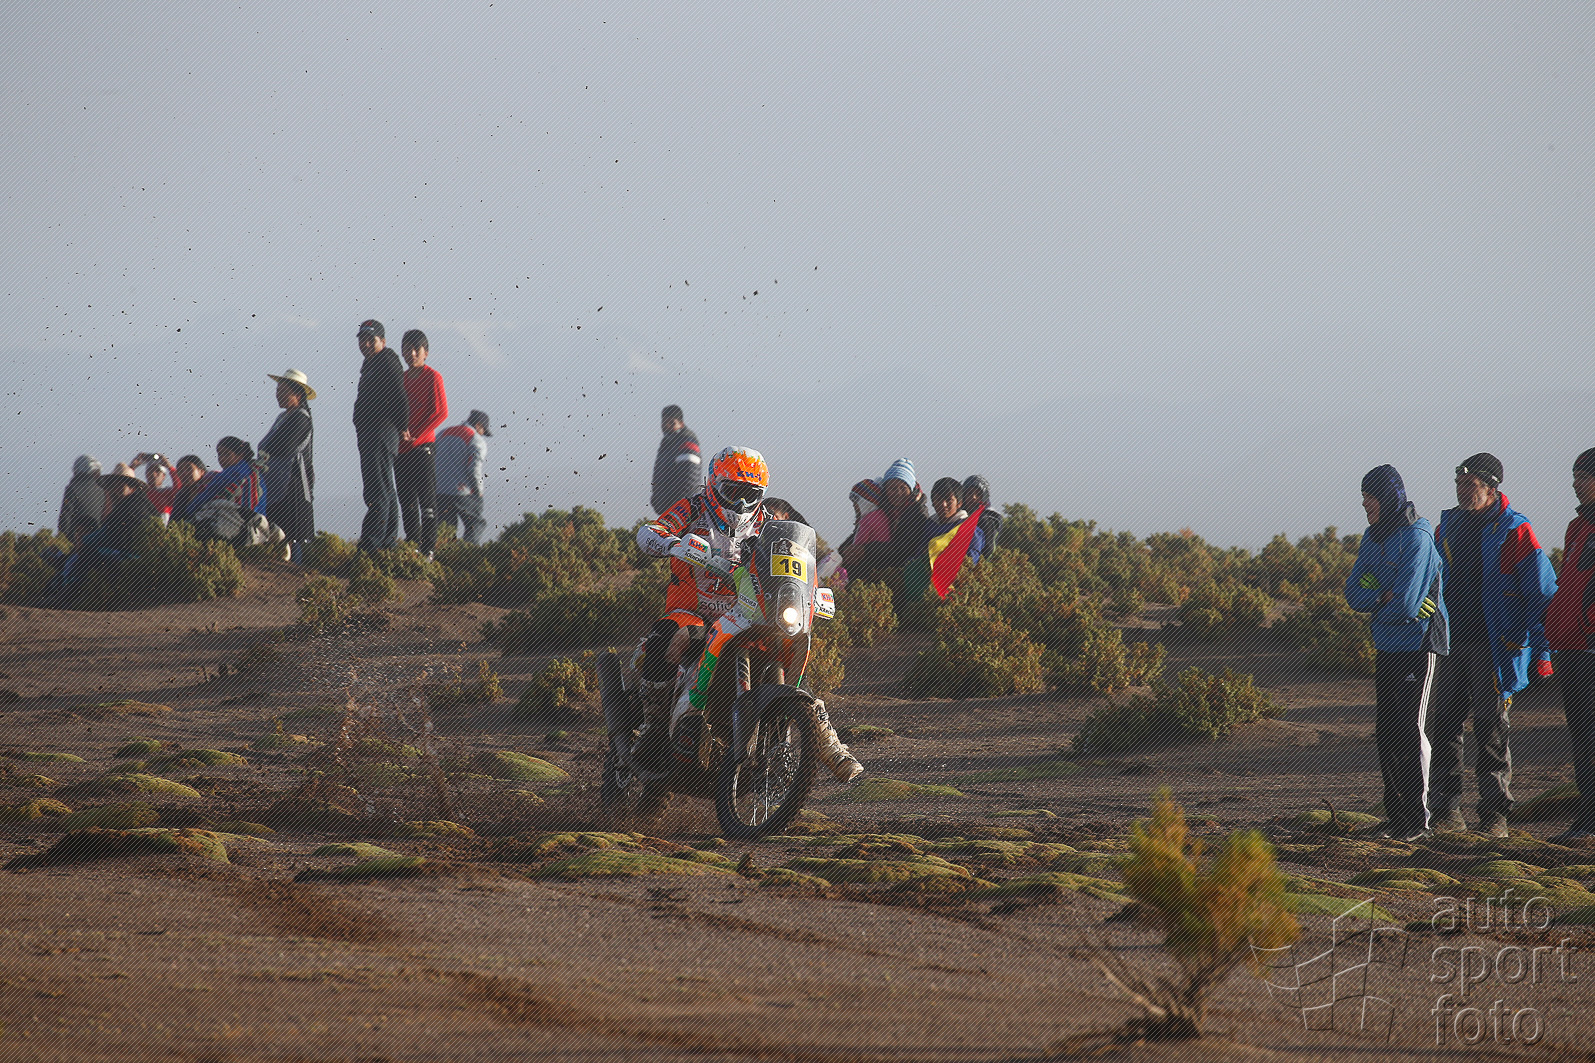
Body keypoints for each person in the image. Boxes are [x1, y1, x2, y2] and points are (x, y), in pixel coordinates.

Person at [634, 446, 861, 783]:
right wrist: (672, 543)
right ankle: (653, 726)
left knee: (787, 654)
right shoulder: (693, 508)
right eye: (733, 492)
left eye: (751, 494)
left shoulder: (767, 524)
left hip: (746, 611)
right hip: (694, 611)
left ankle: (826, 741)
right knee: (669, 639)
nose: (741, 503)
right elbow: (650, 531)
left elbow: (795, 564)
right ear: (714, 485)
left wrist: (812, 591)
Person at [1427, 454, 1557, 838]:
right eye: (1458, 483)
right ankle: (1446, 811)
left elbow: (1542, 596)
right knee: (1444, 725)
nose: (1461, 491)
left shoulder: (1516, 530)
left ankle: (1495, 816)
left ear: (1491, 487)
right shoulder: (1446, 527)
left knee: (1491, 728)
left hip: (1496, 647)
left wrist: (1543, 653)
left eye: (1469, 484)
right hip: (1451, 644)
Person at [1344, 465, 1449, 842]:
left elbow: (1407, 604)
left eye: (1370, 497)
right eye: (1363, 497)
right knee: (1386, 732)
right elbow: (1352, 593)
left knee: (1410, 730)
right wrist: (1380, 598)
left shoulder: (1417, 537)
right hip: (1387, 645)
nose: (1365, 504)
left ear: (1388, 498)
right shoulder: (1372, 538)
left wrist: (1384, 599)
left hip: (1419, 645)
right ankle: (1396, 819)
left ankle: (1418, 823)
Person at [1543, 448, 1595, 843]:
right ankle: (1585, 817)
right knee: (1580, 736)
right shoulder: (1577, 528)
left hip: (1590, 647)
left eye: (1584, 476)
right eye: (1575, 475)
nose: (1576, 483)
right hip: (1571, 648)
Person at [37, 463, 156, 607]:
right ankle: (58, 594)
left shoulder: (131, 507)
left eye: (120, 487)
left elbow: (108, 535)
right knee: (83, 552)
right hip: (134, 557)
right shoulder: (134, 504)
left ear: (132, 488)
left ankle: (67, 597)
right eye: (112, 486)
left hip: (132, 558)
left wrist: (84, 542)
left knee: (87, 553)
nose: (115, 491)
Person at [352, 319, 408, 552]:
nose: (365, 344)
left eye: (371, 339)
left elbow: (399, 394)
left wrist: (403, 425)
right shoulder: (372, 363)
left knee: (377, 491)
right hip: (373, 434)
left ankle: (371, 547)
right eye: (362, 340)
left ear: (382, 341)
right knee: (385, 488)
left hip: (379, 433)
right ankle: (387, 544)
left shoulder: (386, 360)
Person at [395, 329, 448, 558]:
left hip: (423, 446)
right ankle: (412, 546)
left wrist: (416, 433)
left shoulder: (433, 377)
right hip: (402, 449)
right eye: (407, 349)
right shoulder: (402, 379)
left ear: (426, 352)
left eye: (416, 349)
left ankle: (428, 549)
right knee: (406, 501)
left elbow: (441, 412)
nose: (412, 354)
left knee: (426, 499)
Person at [839, 459, 929, 583]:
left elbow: (903, 549)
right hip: (882, 566)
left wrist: (865, 550)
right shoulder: (886, 509)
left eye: (903, 488)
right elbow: (857, 536)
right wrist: (844, 550)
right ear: (885, 490)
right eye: (892, 488)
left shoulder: (917, 513)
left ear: (911, 490)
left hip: (901, 574)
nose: (897, 493)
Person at [259, 368, 316, 563]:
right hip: (276, 482)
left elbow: (283, 447)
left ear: (298, 395)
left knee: (292, 533)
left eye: (283, 391)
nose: (278, 395)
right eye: (278, 391)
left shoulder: (301, 418)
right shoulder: (283, 417)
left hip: (293, 485)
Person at [179, 437, 267, 543]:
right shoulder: (256, 473)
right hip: (258, 526)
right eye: (219, 454)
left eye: (226, 454)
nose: (221, 459)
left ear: (240, 455)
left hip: (235, 524)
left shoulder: (231, 473)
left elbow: (206, 495)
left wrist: (189, 510)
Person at [434, 409, 492, 544]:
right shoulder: (476, 440)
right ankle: (466, 553)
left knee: (446, 531)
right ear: (478, 425)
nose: (482, 434)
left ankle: (444, 555)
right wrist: (478, 491)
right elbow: (474, 469)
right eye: (483, 430)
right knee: (476, 524)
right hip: (463, 492)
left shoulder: (442, 433)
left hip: (439, 491)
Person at [650, 404, 703, 515]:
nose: (666, 426)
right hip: (668, 510)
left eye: (672, 423)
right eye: (664, 422)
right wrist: (656, 501)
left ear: (681, 423)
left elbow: (690, 479)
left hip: (682, 512)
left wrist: (679, 508)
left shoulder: (687, 442)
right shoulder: (667, 443)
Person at [57, 455, 104, 545]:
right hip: (98, 542)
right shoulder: (102, 491)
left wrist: (64, 541)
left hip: (78, 542)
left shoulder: (72, 489)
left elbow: (65, 517)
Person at [961, 474, 1001, 558]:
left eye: (978, 494)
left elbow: (989, 549)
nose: (973, 497)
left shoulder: (987, 519)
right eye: (970, 493)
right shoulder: (958, 515)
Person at [133, 453, 178, 520]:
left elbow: (180, 487)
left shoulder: (168, 492)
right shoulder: (140, 491)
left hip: (163, 524)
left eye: (157, 471)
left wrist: (169, 467)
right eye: (150, 470)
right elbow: (122, 484)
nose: (153, 473)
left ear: (163, 476)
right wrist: (132, 466)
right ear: (146, 473)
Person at [167, 455, 210, 522]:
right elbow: (173, 521)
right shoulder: (180, 495)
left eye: (189, 469)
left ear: (201, 472)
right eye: (180, 470)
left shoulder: (210, 490)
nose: (184, 473)